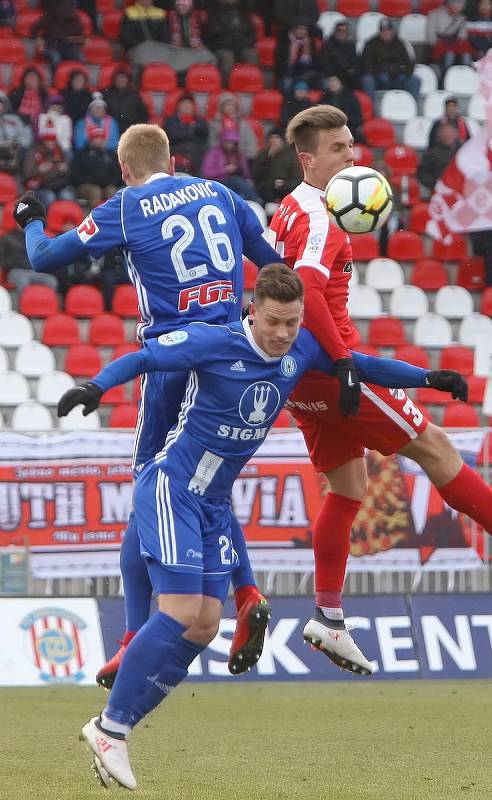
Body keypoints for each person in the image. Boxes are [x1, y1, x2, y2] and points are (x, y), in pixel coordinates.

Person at [56, 264, 466, 789]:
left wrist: (429, 378)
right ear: (253, 310)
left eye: (292, 323)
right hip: (173, 487)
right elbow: (145, 357)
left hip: (213, 503)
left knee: (204, 625)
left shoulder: (301, 350)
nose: (282, 334)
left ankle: (114, 724)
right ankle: (111, 727)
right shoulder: (214, 343)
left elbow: (358, 364)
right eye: (273, 322)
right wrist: (95, 385)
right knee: (181, 610)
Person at [13, 122, 293, 689]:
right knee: (204, 484)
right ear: (174, 159)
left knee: (152, 487)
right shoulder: (220, 192)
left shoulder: (126, 205)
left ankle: (133, 636)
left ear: (124, 169)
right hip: (235, 351)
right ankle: (244, 593)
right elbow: (270, 268)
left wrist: (31, 217)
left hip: (173, 356)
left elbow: (43, 260)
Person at [268, 104, 492, 672]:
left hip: (299, 374)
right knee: (436, 447)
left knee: (348, 486)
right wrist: (346, 362)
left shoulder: (290, 209)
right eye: (339, 148)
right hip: (332, 365)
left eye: (352, 144)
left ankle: (327, 616)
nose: (353, 155)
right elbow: (310, 292)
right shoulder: (321, 215)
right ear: (308, 158)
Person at [361, 18, 421, 102]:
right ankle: (372, 110)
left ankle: (414, 109)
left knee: (415, 80)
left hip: (398, 78)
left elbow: (409, 64)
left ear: (392, 31)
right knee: (367, 79)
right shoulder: (371, 44)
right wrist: (381, 71)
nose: (386, 32)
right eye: (383, 30)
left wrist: (402, 72)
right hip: (379, 79)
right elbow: (366, 65)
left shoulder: (400, 44)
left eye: (388, 30)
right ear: (379, 31)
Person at [203, 0, 258, 86]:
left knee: (252, 55)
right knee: (228, 57)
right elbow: (213, 35)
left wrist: (244, 43)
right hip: (223, 47)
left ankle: (250, 85)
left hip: (241, 46)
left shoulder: (243, 12)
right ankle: (225, 87)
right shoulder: (214, 12)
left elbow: (252, 34)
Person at [201, 128, 261, 202]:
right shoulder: (214, 153)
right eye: (228, 142)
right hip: (218, 183)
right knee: (236, 181)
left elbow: (246, 173)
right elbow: (206, 173)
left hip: (236, 184)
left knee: (242, 193)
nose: (230, 144)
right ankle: (257, 200)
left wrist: (239, 170)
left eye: (233, 142)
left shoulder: (239, 154)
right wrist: (225, 170)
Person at [70, 126, 122, 205]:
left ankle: (113, 216)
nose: (99, 140)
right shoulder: (81, 154)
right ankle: (95, 216)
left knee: (112, 191)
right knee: (95, 191)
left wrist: (107, 181)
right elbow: (74, 177)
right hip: (86, 184)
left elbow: (117, 176)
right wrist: (92, 179)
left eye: (102, 138)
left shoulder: (111, 155)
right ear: (90, 139)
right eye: (96, 138)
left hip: (106, 184)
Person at [251, 127, 301, 210]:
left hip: (285, 188)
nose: (274, 141)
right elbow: (257, 175)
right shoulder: (263, 155)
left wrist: (284, 184)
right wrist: (268, 158)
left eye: (276, 138)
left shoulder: (291, 156)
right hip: (268, 188)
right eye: (271, 138)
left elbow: (296, 179)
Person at [31, 0, 85, 69]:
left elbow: (81, 39)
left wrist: (70, 40)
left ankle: (77, 78)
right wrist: (38, 39)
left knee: (81, 58)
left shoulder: (74, 19)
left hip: (68, 47)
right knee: (55, 58)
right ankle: (54, 78)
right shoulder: (49, 15)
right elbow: (34, 28)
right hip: (50, 46)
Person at [164, 94, 209, 173]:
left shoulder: (199, 120)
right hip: (177, 152)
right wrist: (191, 130)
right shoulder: (171, 121)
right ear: (178, 106)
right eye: (184, 104)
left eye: (189, 104)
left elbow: (204, 135)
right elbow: (173, 136)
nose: (187, 106)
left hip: (196, 155)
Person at [427, 0, 472, 74]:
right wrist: (441, 47)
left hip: (454, 46)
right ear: (450, 3)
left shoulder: (462, 18)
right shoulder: (434, 14)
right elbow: (431, 37)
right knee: (449, 55)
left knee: (466, 55)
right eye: (459, 3)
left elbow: (463, 37)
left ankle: (466, 77)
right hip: (438, 47)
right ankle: (444, 79)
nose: (462, 6)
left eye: (463, 3)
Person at [119, 0, 170, 66]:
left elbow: (165, 35)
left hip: (158, 52)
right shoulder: (129, 12)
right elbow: (126, 37)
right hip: (137, 52)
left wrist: (157, 49)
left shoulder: (160, 13)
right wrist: (144, 49)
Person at [102, 69, 149, 135]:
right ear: (114, 80)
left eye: (123, 77)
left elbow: (144, 113)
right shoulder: (106, 94)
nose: (121, 80)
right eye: (118, 77)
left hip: (130, 127)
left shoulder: (134, 94)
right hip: (111, 127)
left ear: (128, 80)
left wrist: (138, 125)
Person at [418, 122, 460, 190]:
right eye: (446, 133)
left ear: (456, 135)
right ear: (440, 135)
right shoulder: (432, 153)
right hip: (438, 192)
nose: (449, 135)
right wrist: (437, 184)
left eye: (451, 133)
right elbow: (423, 174)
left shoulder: (461, 153)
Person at [319, 21, 360, 89]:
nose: (342, 33)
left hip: (347, 77)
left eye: (344, 31)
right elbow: (324, 65)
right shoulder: (327, 46)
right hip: (331, 76)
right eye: (339, 30)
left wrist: (351, 70)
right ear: (335, 32)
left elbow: (354, 63)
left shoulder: (351, 46)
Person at [320, 75, 363, 141]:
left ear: (340, 82)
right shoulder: (324, 99)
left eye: (334, 81)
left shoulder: (350, 96)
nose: (332, 83)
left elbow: (358, 118)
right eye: (330, 81)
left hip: (349, 127)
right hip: (330, 129)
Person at [0, 91, 32, 174]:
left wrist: (18, 143)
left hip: (14, 151)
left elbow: (26, 133)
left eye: (0, 102)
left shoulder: (14, 119)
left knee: (27, 151)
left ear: (5, 104)